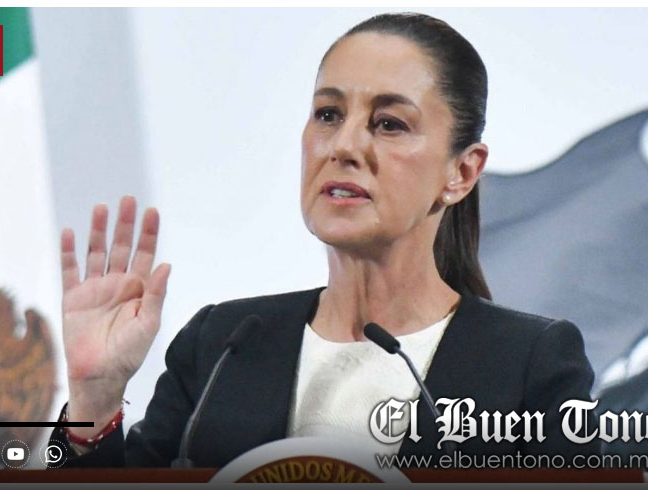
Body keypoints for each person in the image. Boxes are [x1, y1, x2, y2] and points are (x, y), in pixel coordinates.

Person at [48, 12, 600, 468]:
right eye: (329, 114)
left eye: (389, 123)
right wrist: (93, 403)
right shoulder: (224, 344)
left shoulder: (528, 364)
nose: (344, 146)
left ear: (461, 172)